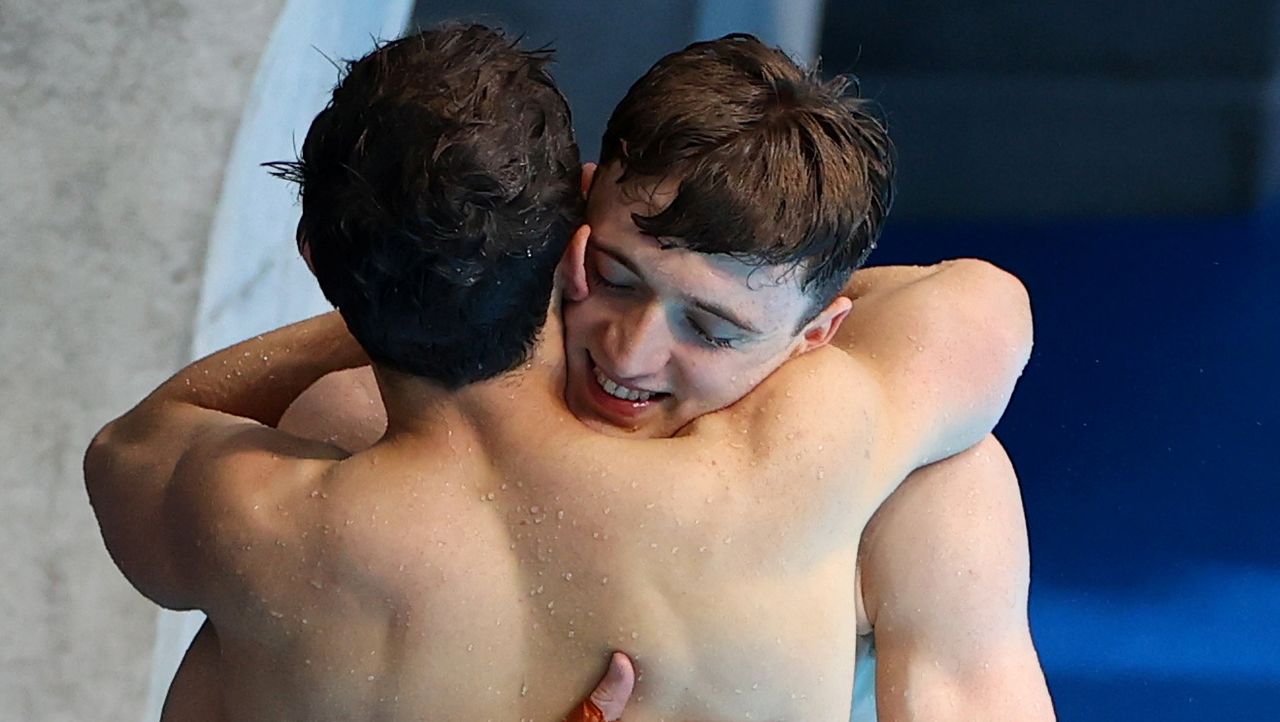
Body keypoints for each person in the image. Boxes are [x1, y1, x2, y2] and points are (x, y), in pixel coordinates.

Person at [86, 25, 1031, 722]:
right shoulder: (811, 447)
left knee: (953, 490)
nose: (628, 353)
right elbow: (980, 311)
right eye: (613, 276)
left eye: (713, 327)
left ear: (814, 335)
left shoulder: (867, 475)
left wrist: (413, 299)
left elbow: (129, 450)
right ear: (573, 218)